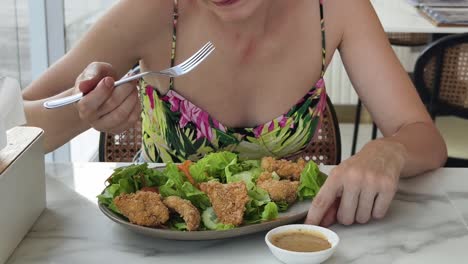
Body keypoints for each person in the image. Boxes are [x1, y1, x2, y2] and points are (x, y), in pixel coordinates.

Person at [22, 0, 447, 226]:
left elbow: (423, 138)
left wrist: (386, 152)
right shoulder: (151, 9)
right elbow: (13, 127)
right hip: (162, 243)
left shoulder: (333, 7)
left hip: (286, 237)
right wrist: (84, 107)